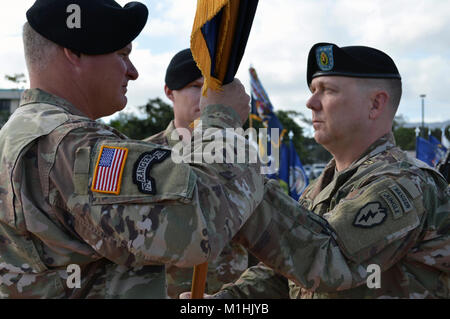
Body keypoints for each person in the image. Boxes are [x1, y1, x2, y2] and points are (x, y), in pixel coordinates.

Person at [0, 0, 265, 298]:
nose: (133, 71)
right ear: (74, 51)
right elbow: (197, 226)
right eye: (122, 53)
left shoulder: (16, 134)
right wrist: (222, 120)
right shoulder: (72, 145)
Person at [182, 42, 450, 299]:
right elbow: (285, 275)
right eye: (313, 89)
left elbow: (328, 261)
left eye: (328, 90)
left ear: (376, 104)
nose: (311, 102)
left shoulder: (405, 182)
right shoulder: (320, 187)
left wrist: (235, 179)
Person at [143, 48, 249, 298]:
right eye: (195, 86)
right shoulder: (144, 159)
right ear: (170, 92)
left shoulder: (241, 157)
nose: (205, 99)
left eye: (212, 90)